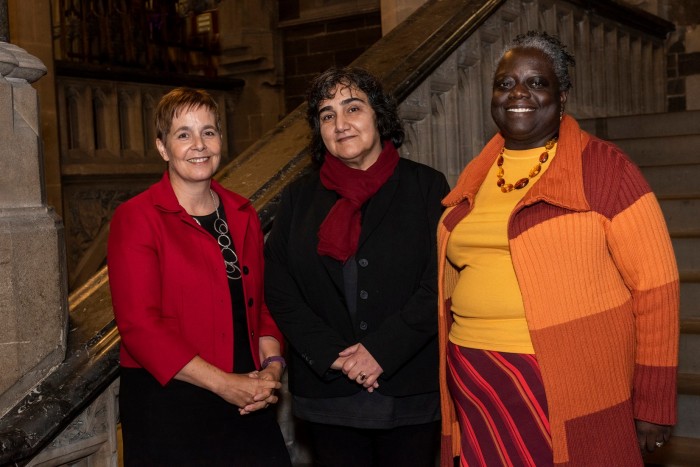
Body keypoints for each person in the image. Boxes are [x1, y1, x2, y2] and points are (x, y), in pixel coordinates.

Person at [437, 31, 679, 467]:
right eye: (506, 83)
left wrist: (653, 402)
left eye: (537, 82)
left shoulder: (605, 169)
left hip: (565, 379)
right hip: (476, 376)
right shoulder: (477, 174)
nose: (519, 93)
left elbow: (657, 288)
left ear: (562, 96)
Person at [264, 67, 450, 467]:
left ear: (379, 117)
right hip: (328, 391)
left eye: (353, 108)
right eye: (327, 115)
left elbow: (441, 280)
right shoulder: (298, 198)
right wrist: (333, 354)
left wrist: (381, 350)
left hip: (408, 388)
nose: (340, 123)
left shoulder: (427, 187)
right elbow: (279, 286)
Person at [108, 87, 291, 466]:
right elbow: (140, 327)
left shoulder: (243, 213)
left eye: (208, 131)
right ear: (162, 147)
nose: (199, 145)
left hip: (247, 398)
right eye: (183, 134)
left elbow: (260, 306)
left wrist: (272, 367)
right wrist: (226, 385)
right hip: (171, 407)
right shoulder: (137, 218)